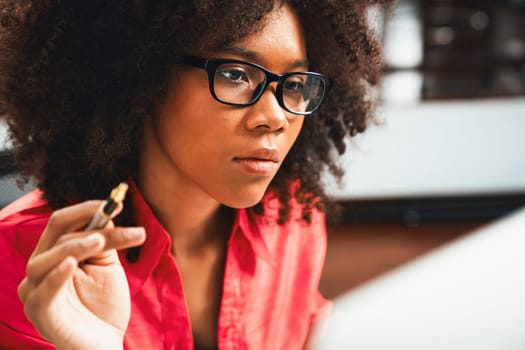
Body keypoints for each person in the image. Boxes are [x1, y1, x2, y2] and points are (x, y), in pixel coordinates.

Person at [0, 1, 387, 349]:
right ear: (142, 76)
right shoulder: (24, 262)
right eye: (235, 75)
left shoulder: (292, 219)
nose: (275, 118)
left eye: (297, 84)